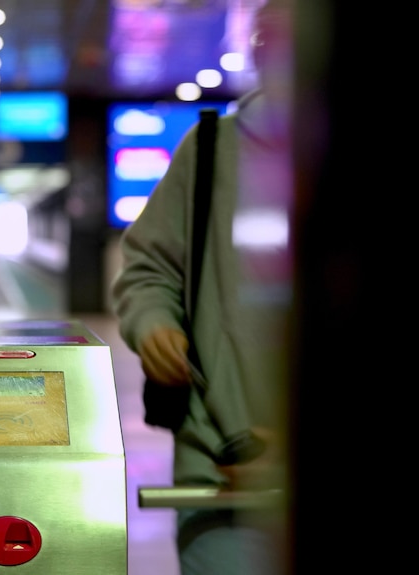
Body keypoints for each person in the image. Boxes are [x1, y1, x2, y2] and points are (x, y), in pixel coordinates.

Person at [109, 1, 293, 573]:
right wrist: (154, 325)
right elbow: (149, 269)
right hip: (222, 480)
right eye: (266, 40)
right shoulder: (212, 149)